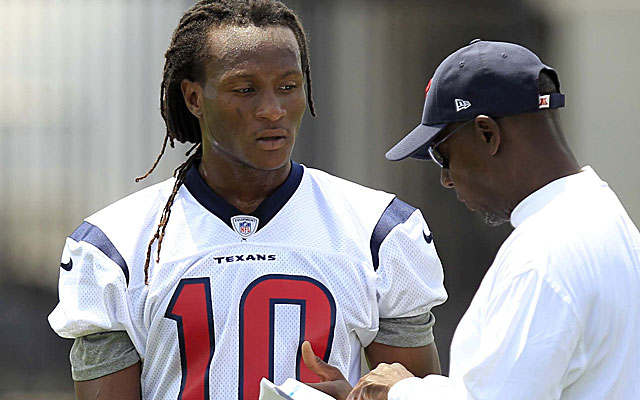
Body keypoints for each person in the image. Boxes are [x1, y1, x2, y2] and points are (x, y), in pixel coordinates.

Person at [47, 1, 448, 399]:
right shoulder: (114, 245)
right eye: (245, 89)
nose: (273, 110)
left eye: (288, 87)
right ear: (193, 98)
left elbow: (410, 395)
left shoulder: (379, 230)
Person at [305, 39, 640, 399]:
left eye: (443, 155)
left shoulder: (543, 254)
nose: (446, 178)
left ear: (487, 134)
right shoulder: (605, 218)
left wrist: (400, 391)